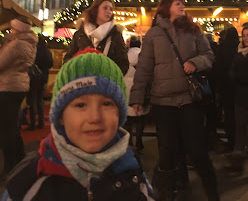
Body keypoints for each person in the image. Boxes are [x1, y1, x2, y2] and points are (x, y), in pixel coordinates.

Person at [2, 48, 154, 201]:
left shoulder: (132, 169)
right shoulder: (30, 185)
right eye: (81, 105)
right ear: (61, 116)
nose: (94, 117)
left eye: (107, 104)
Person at [130, 0, 219, 201]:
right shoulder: (153, 34)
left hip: (189, 99)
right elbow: (144, 68)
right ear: (166, 7)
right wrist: (137, 96)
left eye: (183, 4)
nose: (182, 6)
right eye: (178, 3)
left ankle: (213, 193)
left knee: (197, 151)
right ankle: (168, 194)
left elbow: (209, 55)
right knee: (167, 151)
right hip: (163, 102)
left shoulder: (194, 30)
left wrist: (196, 62)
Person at [0, 16, 38, 176]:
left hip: (8, 86)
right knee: (12, 127)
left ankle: (10, 164)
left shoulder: (16, 44)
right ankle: (19, 158)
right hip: (18, 85)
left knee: (5, 128)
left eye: (13, 28)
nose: (11, 31)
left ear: (19, 29)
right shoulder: (29, 43)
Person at [63, 0, 129, 75]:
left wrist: (109, 75)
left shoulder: (115, 35)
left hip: (105, 82)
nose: (109, 12)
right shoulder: (80, 34)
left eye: (111, 9)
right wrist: (78, 67)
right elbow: (68, 58)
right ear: (96, 10)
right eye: (105, 8)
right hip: (82, 81)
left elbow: (123, 64)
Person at [226, 25, 248, 172]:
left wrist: (243, 76)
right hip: (241, 95)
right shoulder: (238, 53)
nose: (245, 38)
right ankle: (238, 155)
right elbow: (232, 72)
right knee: (240, 125)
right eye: (244, 35)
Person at [213, 26, 239, 151]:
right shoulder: (240, 47)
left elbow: (217, 67)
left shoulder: (222, 48)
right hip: (239, 86)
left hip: (225, 86)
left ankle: (231, 141)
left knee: (229, 114)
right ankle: (240, 142)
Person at [124, 36, 149, 151]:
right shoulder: (143, 55)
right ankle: (139, 141)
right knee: (140, 118)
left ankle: (129, 141)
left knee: (128, 118)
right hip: (139, 88)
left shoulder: (124, 55)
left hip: (125, 88)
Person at [27, 35, 53, 130]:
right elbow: (51, 64)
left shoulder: (34, 50)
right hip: (44, 77)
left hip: (34, 77)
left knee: (32, 99)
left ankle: (33, 123)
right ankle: (41, 122)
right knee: (40, 100)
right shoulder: (48, 52)